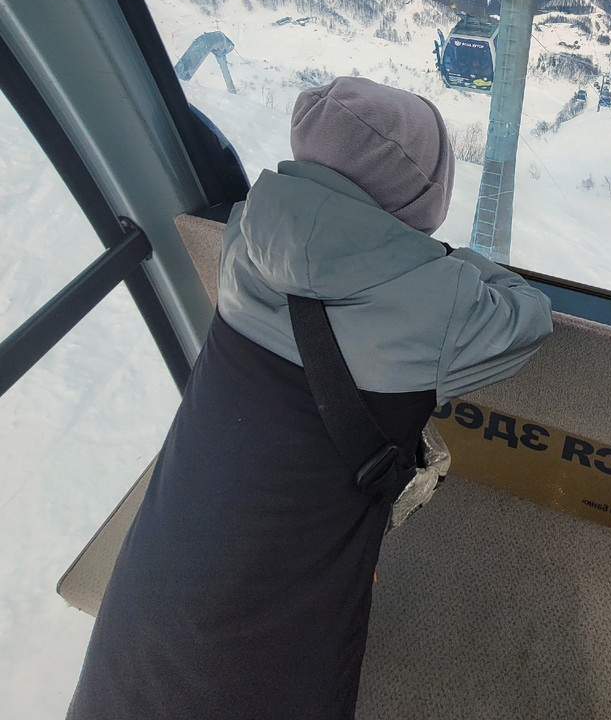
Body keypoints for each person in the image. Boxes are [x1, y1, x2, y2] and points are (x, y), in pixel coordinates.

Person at [67, 76, 553, 720]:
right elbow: (528, 317)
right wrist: (441, 261)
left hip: (154, 588)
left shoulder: (245, 234)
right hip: (271, 645)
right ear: (421, 197)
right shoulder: (445, 307)